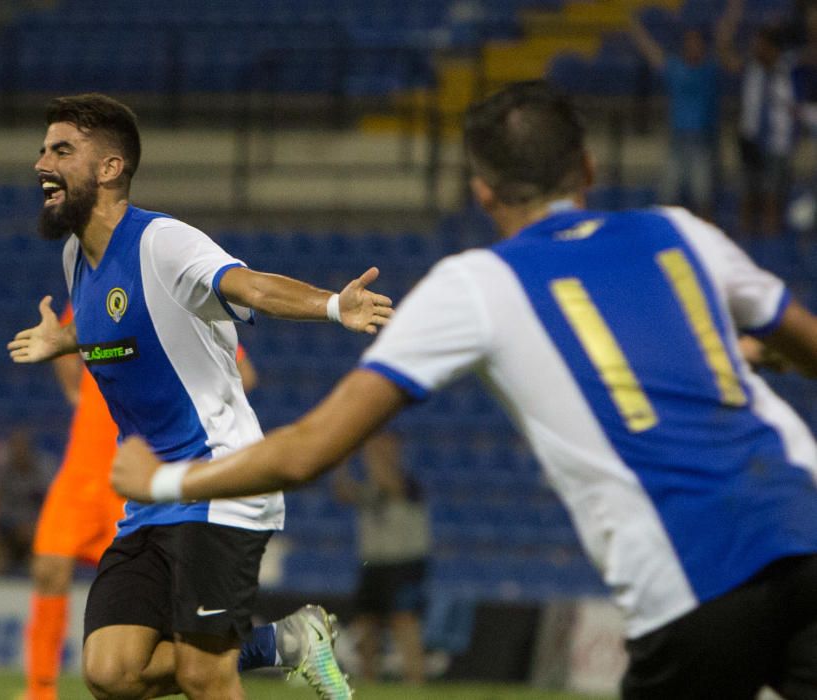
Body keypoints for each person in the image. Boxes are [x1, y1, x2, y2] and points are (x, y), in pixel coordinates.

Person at [113, 81, 817, 699]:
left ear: (481, 192)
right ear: (589, 169)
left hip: (692, 579)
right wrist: (749, 352)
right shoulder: (681, 232)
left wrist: (166, 480)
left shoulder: (474, 285)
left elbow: (307, 452)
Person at [8, 93, 391, 699]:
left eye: (61, 150)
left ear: (110, 168)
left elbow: (250, 285)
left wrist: (334, 307)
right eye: (42, 149)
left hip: (221, 484)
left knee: (203, 675)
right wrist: (63, 341)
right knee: (111, 672)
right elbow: (114, 320)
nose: (41, 164)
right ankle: (288, 641)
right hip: (151, 499)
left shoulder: (162, 242)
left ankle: (273, 646)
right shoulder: (74, 258)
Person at [22, 304, 263, 700]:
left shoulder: (173, 296)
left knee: (150, 644)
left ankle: (261, 646)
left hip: (140, 478)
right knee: (48, 567)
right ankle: (40, 690)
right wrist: (75, 387)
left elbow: (244, 373)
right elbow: (64, 341)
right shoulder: (92, 293)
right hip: (84, 468)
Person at [332, 431, 429, 684]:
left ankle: (415, 679)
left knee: (404, 620)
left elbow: (389, 484)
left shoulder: (408, 483)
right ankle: (368, 678)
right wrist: (342, 464)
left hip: (404, 562)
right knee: (366, 622)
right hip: (373, 563)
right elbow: (344, 493)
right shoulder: (371, 487)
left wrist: (367, 448)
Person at [718, 0, 798, 236]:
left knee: (772, 197)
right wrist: (733, 14)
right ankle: (746, 246)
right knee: (747, 193)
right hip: (751, 140)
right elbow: (723, 50)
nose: (756, 49)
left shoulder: (790, 70)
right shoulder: (750, 68)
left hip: (777, 144)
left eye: (761, 46)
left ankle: (773, 249)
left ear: (773, 49)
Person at [629, 16, 721, 218]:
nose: (693, 45)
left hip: (701, 141)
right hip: (677, 140)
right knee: (667, 194)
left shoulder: (709, 70)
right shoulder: (675, 68)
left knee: (703, 194)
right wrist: (636, 30)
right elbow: (652, 53)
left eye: (697, 41)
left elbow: (724, 37)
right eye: (690, 41)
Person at [0, 426, 56, 575]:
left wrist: (35, 527)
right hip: (7, 529)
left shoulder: (44, 470)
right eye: (15, 447)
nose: (19, 452)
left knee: (42, 560)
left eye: (22, 447)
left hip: (37, 530)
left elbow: (54, 505)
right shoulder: (1, 470)